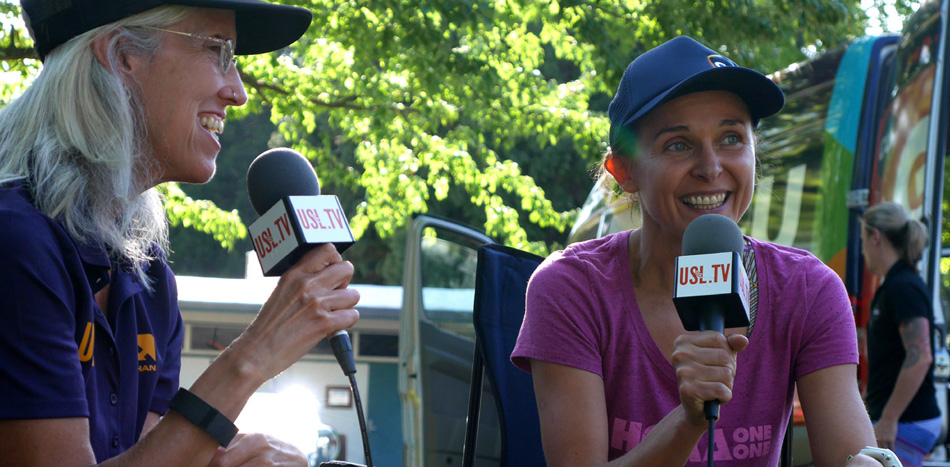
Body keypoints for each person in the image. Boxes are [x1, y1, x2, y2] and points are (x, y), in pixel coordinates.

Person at [0, 1, 359, 465]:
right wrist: (251, 355)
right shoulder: (15, 243)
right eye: (217, 50)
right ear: (122, 56)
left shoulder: (146, 272)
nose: (238, 91)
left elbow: (143, 456)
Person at [511, 36, 887, 466]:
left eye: (731, 138)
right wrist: (689, 419)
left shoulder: (809, 288)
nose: (711, 168)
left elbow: (851, 457)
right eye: (678, 144)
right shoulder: (570, 287)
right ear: (624, 171)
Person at [861, 202, 941, 466]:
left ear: (876, 237)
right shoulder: (893, 285)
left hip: (908, 419)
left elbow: (920, 358)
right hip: (897, 416)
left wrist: (889, 419)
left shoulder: (903, 286)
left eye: (863, 239)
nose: (863, 251)